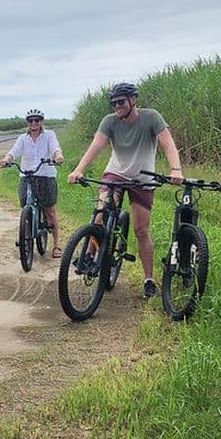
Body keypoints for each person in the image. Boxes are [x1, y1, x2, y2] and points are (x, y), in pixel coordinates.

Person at [66, 82, 184, 299]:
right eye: (113, 103)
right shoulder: (109, 122)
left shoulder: (151, 117)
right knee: (100, 214)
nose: (117, 107)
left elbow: (168, 144)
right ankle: (89, 256)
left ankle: (148, 280)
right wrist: (79, 170)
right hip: (116, 174)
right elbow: (97, 145)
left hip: (143, 178)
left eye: (121, 102)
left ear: (133, 100)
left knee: (141, 230)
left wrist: (175, 169)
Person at [0, 108, 65, 258]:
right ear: (27, 123)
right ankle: (25, 234)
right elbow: (14, 151)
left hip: (45, 175)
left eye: (37, 120)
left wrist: (58, 156)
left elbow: (55, 148)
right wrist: (6, 159)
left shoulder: (49, 135)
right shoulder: (23, 138)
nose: (34, 123)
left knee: (50, 210)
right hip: (26, 176)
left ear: (41, 122)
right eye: (31, 121)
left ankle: (56, 245)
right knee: (25, 207)